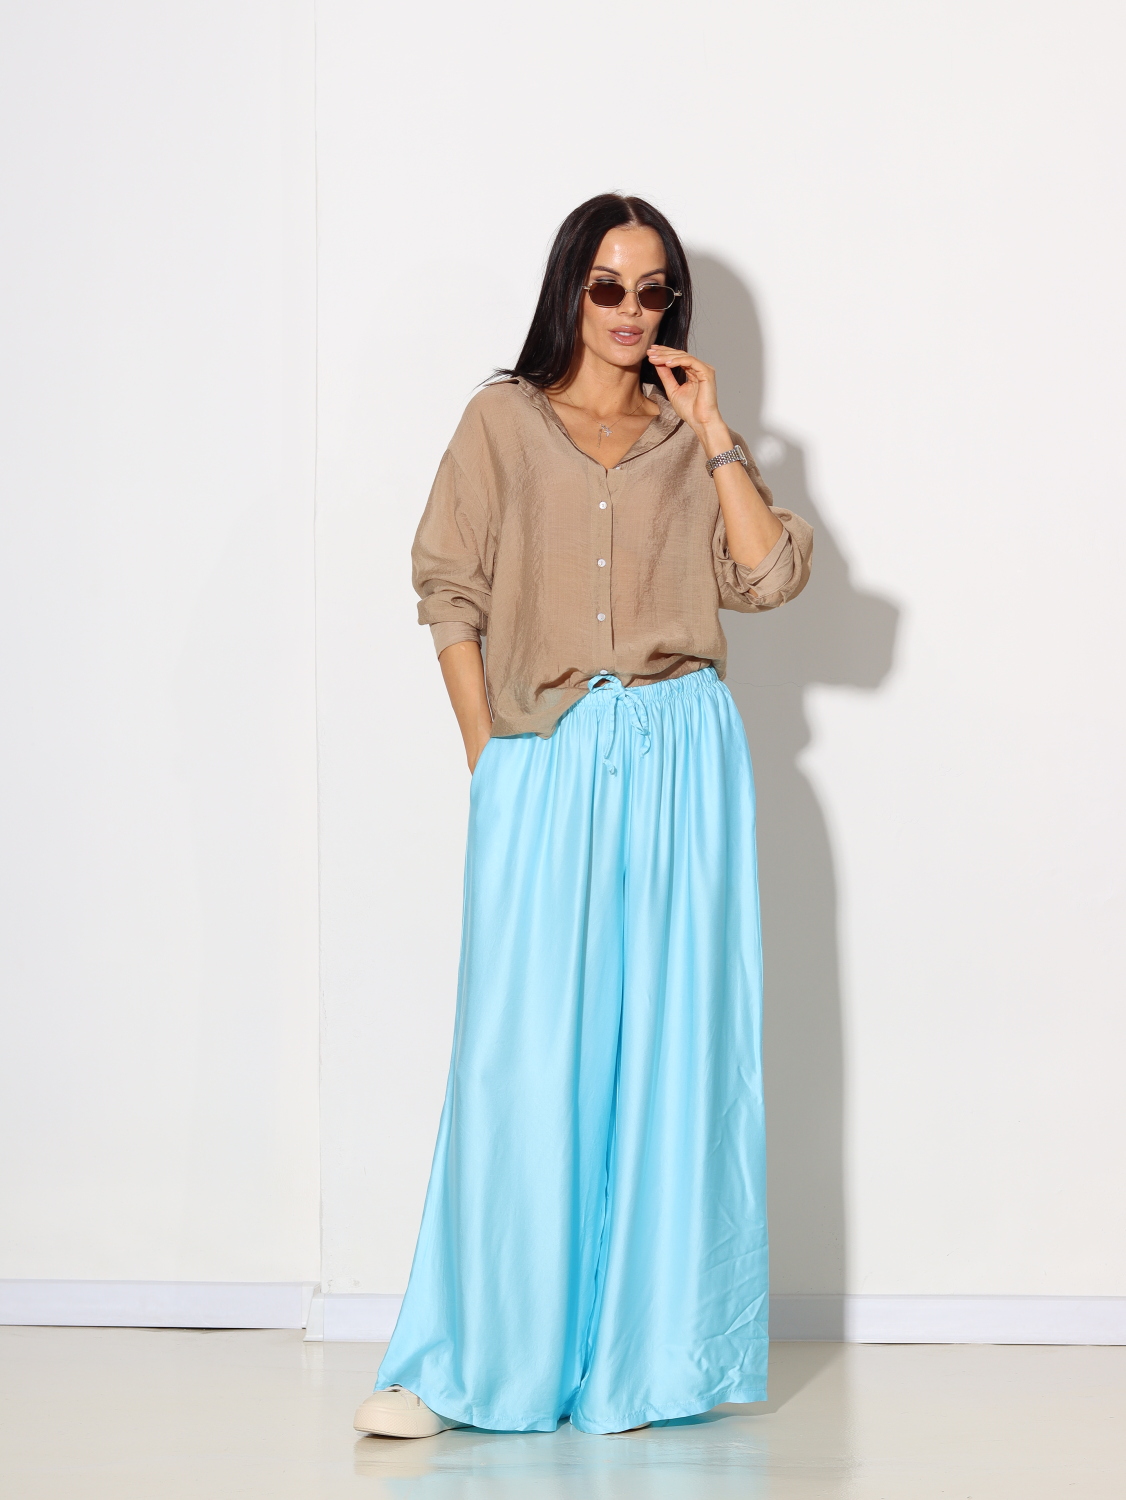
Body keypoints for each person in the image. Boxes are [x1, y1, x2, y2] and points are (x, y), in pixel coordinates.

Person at [353, 193, 813, 1439]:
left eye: (653, 290)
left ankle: (650, 1358)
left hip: (682, 756)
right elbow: (448, 589)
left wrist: (713, 433)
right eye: (607, 285)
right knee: (520, 1055)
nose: (628, 310)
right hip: (546, 752)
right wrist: (488, 755)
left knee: (673, 1055)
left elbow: (768, 576)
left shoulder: (687, 441)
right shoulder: (501, 422)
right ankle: (465, 1362)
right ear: (570, 288)